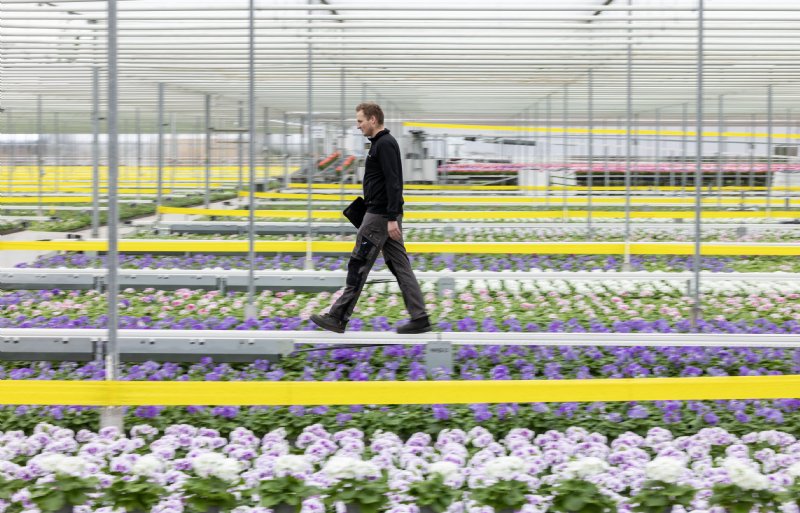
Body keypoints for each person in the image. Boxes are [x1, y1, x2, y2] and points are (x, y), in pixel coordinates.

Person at [310, 102, 432, 335]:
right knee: (400, 266)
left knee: (359, 264)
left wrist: (391, 217)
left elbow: (394, 182)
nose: (358, 126)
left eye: (360, 121)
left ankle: (337, 317)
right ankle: (420, 317)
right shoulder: (381, 144)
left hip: (379, 217)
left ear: (373, 119)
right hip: (380, 214)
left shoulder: (385, 144)